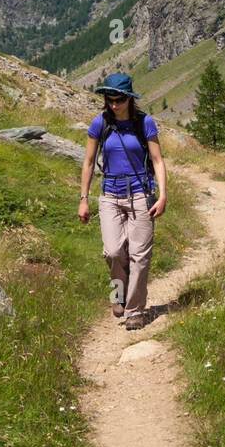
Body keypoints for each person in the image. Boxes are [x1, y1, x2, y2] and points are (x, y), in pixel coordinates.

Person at [78, 73, 166, 331]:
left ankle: (135, 311)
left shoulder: (144, 123)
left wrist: (162, 195)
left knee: (140, 256)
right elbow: (88, 162)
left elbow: (158, 161)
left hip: (141, 195)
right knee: (113, 251)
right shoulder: (100, 123)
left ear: (130, 98)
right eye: (110, 99)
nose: (114, 104)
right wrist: (84, 198)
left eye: (119, 99)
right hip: (109, 196)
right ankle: (119, 292)